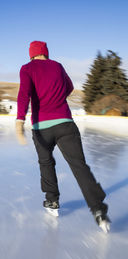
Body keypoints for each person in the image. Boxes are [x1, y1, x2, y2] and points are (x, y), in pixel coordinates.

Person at [16, 41, 110, 233]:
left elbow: (24, 94)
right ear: (46, 53)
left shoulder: (27, 68)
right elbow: (69, 87)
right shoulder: (57, 66)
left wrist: (19, 121)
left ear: (31, 54)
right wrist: (56, 96)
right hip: (65, 124)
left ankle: (52, 201)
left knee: (46, 162)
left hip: (41, 127)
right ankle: (99, 210)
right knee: (79, 165)